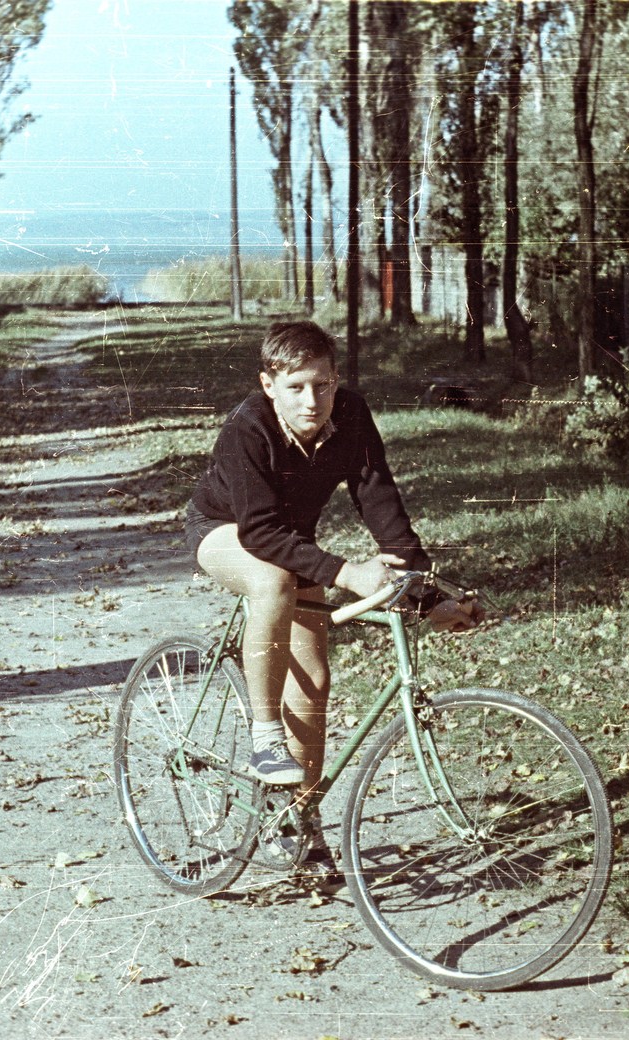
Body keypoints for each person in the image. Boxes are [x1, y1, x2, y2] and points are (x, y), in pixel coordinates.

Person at [184, 320, 430, 891]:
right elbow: (262, 532)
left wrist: (426, 593)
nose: (312, 400)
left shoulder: (351, 415)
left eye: (321, 384)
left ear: (337, 379)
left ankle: (296, 822)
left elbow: (381, 502)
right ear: (268, 384)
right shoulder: (246, 426)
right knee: (272, 582)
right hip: (226, 530)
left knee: (314, 681)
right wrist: (347, 573)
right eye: (295, 386)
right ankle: (265, 738)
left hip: (291, 540)